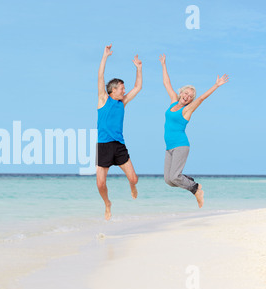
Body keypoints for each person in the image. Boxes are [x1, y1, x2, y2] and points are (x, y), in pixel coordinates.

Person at [159, 53, 229, 208]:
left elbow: (202, 98)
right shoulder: (172, 102)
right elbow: (166, 83)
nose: (187, 96)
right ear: (181, 92)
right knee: (169, 180)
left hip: (180, 145)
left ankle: (196, 188)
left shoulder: (187, 110)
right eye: (186, 93)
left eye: (190, 96)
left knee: (175, 176)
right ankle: (192, 183)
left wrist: (216, 85)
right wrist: (163, 64)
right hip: (169, 147)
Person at [96, 44, 142, 220]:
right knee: (100, 183)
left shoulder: (122, 102)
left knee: (134, 179)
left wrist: (138, 68)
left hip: (119, 145)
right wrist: (105, 56)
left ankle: (132, 186)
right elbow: (100, 76)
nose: (124, 90)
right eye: (122, 88)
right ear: (112, 90)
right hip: (103, 145)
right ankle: (107, 203)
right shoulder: (103, 99)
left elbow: (138, 87)